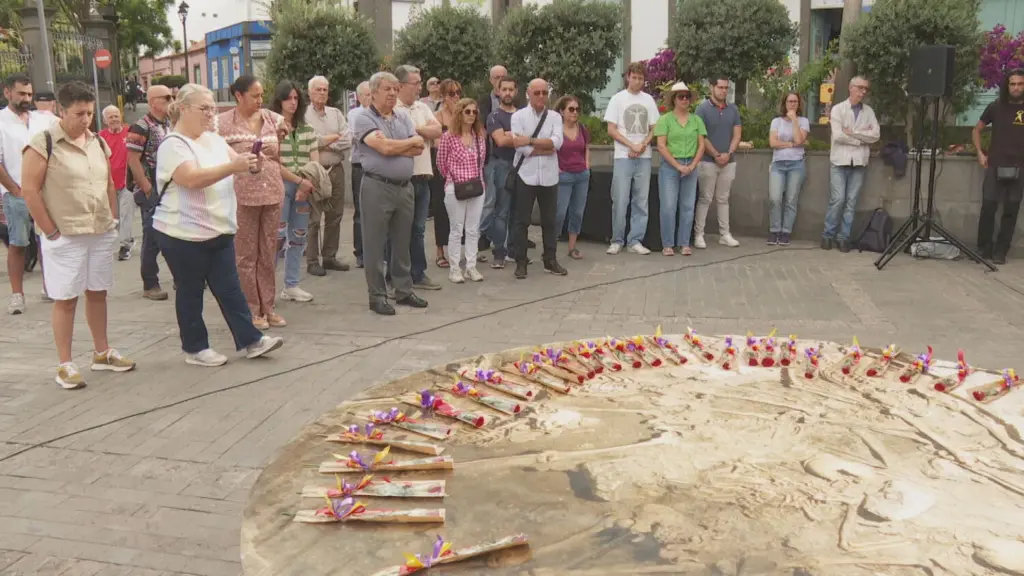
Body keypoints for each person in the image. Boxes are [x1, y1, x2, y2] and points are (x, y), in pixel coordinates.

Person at [153, 84, 283, 367]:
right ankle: (195, 348)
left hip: (219, 230)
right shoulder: (173, 144)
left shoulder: (212, 138)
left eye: (213, 108)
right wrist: (233, 168)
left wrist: (252, 162)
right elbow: (191, 178)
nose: (210, 114)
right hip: (183, 234)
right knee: (190, 290)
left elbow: (237, 163)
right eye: (204, 108)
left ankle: (251, 340)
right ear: (184, 108)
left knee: (230, 288)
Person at [21, 81, 136, 389]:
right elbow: (30, 191)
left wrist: (112, 217)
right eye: (78, 113)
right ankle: (65, 364)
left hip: (98, 230)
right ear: (61, 110)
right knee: (66, 298)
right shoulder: (43, 142)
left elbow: (109, 183)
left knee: (98, 292)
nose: (85, 120)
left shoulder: (98, 141)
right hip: (65, 233)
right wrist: (51, 231)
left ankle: (102, 352)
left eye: (89, 113)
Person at [350, 71, 429, 316]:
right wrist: (401, 145)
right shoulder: (364, 118)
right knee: (374, 244)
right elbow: (382, 147)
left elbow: (419, 147)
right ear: (373, 93)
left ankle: (403, 290)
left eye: (395, 88)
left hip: (405, 187)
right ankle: (377, 295)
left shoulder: (402, 116)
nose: (393, 93)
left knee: (402, 242)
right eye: (387, 89)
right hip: (377, 186)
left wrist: (396, 146)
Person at [216, 76, 287, 329]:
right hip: (242, 194)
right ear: (239, 95)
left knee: (269, 251)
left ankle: (269, 307)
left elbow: (282, 146)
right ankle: (251, 309)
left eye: (261, 95)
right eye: (254, 95)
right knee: (246, 255)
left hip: (272, 192)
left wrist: (276, 145)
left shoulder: (270, 118)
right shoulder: (223, 123)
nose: (259, 100)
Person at [1, 73, 54, 314]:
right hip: (17, 194)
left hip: (44, 193)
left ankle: (49, 287)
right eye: (21, 94)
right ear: (7, 92)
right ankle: (17, 295)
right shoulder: (1, 121)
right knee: (18, 243)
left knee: (47, 240)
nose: (26, 99)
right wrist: (15, 190)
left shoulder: (42, 120)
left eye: (30, 94)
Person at [510, 78, 567, 279]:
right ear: (528, 93)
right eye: (537, 93)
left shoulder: (555, 117)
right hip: (526, 175)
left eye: (544, 92)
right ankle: (521, 261)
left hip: (550, 176)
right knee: (521, 221)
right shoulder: (518, 116)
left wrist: (532, 140)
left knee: (550, 220)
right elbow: (521, 147)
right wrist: (544, 147)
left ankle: (550, 260)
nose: (542, 96)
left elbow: (557, 144)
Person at [395, 64, 443, 290]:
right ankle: (396, 275)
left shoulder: (422, 108)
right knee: (398, 229)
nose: (419, 87)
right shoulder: (393, 108)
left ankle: (418, 273)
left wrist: (418, 129)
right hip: (403, 178)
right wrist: (423, 131)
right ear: (402, 85)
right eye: (416, 83)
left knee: (419, 228)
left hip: (423, 175)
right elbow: (406, 135)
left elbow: (438, 131)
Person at [270, 80, 318, 303]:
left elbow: (314, 161)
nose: (292, 102)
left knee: (298, 237)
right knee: (276, 238)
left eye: (296, 98)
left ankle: (291, 285)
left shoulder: (308, 130)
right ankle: (266, 285)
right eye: (288, 98)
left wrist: (305, 183)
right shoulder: (271, 129)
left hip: (303, 188)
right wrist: (299, 181)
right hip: (280, 186)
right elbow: (273, 162)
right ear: (279, 100)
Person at [604, 62, 659, 256]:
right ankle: (617, 240)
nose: (637, 81)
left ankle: (635, 240)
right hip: (623, 156)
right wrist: (631, 145)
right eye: (634, 77)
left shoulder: (649, 101)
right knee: (620, 199)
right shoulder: (617, 99)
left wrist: (643, 144)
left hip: (643, 157)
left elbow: (654, 128)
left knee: (641, 201)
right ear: (628, 77)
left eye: (641, 78)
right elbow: (611, 129)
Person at [127, 84, 173, 301]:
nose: (170, 101)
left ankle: (179, 277)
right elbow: (133, 160)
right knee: (152, 236)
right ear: (153, 101)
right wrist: (146, 189)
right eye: (167, 97)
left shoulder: (168, 124)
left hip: (167, 187)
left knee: (171, 234)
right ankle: (150, 283)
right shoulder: (140, 126)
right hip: (151, 187)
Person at [823, 76, 879, 253]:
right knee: (838, 200)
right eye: (860, 88)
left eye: (865, 89)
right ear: (850, 88)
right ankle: (827, 235)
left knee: (851, 202)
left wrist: (853, 132)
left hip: (859, 163)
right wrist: (861, 139)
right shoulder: (838, 109)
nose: (863, 92)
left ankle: (843, 238)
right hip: (840, 161)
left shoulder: (868, 111)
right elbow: (838, 136)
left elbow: (875, 135)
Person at [973, 69, 1024, 265]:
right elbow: (977, 130)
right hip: (995, 165)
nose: (1017, 87)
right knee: (988, 207)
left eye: (1020, 84)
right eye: (1013, 84)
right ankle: (983, 249)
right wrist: (980, 152)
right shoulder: (996, 107)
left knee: (1011, 211)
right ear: (1007, 86)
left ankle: (1001, 251)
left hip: (1020, 167)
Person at [304, 75, 352, 276]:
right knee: (314, 219)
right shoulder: (304, 114)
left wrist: (324, 142)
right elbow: (308, 141)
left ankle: (330, 257)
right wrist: (331, 139)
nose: (322, 93)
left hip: (336, 170)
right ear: (309, 92)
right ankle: (312, 260)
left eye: (325, 89)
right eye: (318, 89)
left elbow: (348, 139)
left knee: (335, 215)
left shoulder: (336, 114)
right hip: (314, 171)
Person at [437, 98, 487, 284]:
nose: (472, 115)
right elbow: (441, 164)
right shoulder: (448, 137)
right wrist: (453, 179)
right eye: (467, 111)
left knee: (473, 229)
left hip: (476, 185)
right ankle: (455, 268)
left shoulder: (479, 137)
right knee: (456, 229)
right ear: (460, 113)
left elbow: (481, 163)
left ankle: (471, 266)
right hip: (455, 186)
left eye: (474, 112)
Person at [654, 81, 706, 257]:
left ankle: (684, 243)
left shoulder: (697, 120)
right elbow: (661, 146)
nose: (685, 100)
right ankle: (667, 244)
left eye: (687, 97)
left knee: (687, 206)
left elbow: (701, 145)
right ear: (674, 100)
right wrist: (677, 166)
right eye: (681, 97)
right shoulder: (665, 120)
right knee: (668, 206)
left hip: (690, 164)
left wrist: (691, 165)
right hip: (670, 165)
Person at [694, 75, 743, 249]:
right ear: (712, 88)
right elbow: (701, 137)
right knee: (705, 198)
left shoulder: (733, 110)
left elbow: (737, 134)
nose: (723, 91)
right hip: (708, 161)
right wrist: (716, 155)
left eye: (726, 88)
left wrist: (728, 154)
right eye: (720, 87)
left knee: (723, 199)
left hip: (729, 162)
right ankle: (699, 235)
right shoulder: (702, 109)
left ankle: (725, 234)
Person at [485, 76, 522, 268]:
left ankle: (514, 251)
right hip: (502, 165)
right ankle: (499, 252)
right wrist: (517, 136)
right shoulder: (494, 116)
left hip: (523, 166)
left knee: (519, 212)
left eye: (511, 89)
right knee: (502, 211)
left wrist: (510, 134)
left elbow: (532, 137)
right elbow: (500, 141)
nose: (507, 93)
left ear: (516, 92)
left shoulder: (523, 114)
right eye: (504, 89)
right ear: (498, 91)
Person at [767, 91, 810, 247]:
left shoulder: (803, 121)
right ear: (784, 104)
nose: (792, 104)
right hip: (778, 164)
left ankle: (786, 232)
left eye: (795, 102)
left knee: (791, 199)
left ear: (799, 104)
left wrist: (794, 121)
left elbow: (799, 139)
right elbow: (773, 143)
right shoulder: (776, 121)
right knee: (775, 199)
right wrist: (791, 144)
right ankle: (774, 230)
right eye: (790, 101)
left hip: (796, 164)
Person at [553, 95, 590, 260]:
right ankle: (550, 246)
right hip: (564, 176)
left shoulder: (582, 128)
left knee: (577, 212)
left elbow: (586, 147)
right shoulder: (556, 130)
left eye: (577, 109)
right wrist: (557, 168)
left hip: (581, 175)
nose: (575, 112)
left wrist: (587, 165)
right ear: (562, 111)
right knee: (559, 213)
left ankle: (572, 247)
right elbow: (551, 150)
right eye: (571, 109)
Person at [431, 79, 462, 269]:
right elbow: (437, 143)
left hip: (462, 169)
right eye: (452, 94)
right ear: (443, 96)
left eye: (458, 92)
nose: (456, 97)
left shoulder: (465, 115)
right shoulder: (437, 116)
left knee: (460, 210)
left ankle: (458, 251)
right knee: (441, 209)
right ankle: (440, 251)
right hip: (442, 169)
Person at [98, 105, 134, 261]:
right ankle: (128, 239)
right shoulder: (100, 137)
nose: (114, 119)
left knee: (126, 215)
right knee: (116, 218)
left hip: (128, 183)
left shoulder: (130, 133)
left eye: (116, 116)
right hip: (109, 185)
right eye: (110, 117)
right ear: (105, 120)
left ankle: (125, 245)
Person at [350, 81, 370, 268]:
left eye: (371, 93)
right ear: (359, 97)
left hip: (377, 166)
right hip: (359, 166)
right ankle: (361, 252)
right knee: (360, 211)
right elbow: (355, 138)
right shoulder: (354, 115)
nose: (369, 97)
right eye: (366, 94)